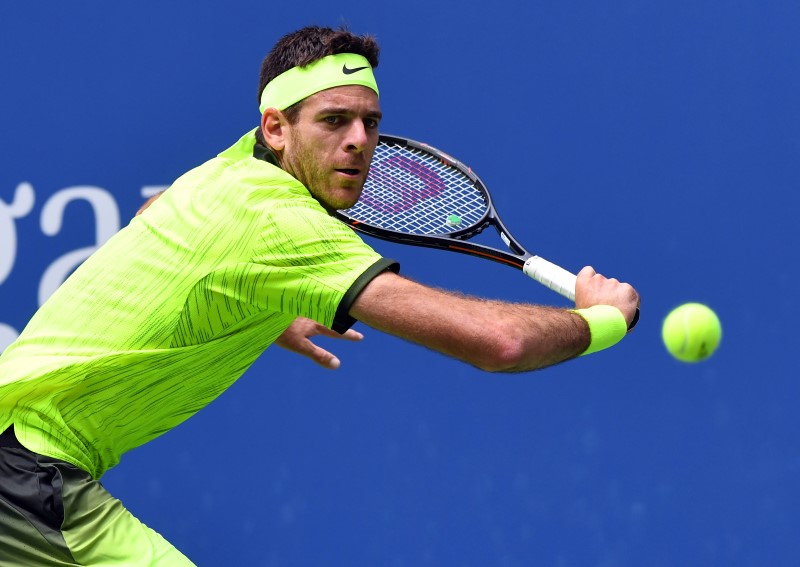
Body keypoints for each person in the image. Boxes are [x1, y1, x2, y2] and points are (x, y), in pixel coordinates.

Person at [0, 25, 639, 566]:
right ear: (277, 128)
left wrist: (248, 299)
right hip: (23, 472)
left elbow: (153, 210)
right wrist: (600, 320)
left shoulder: (233, 169)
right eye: (334, 121)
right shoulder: (279, 221)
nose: (359, 140)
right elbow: (498, 344)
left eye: (370, 122)